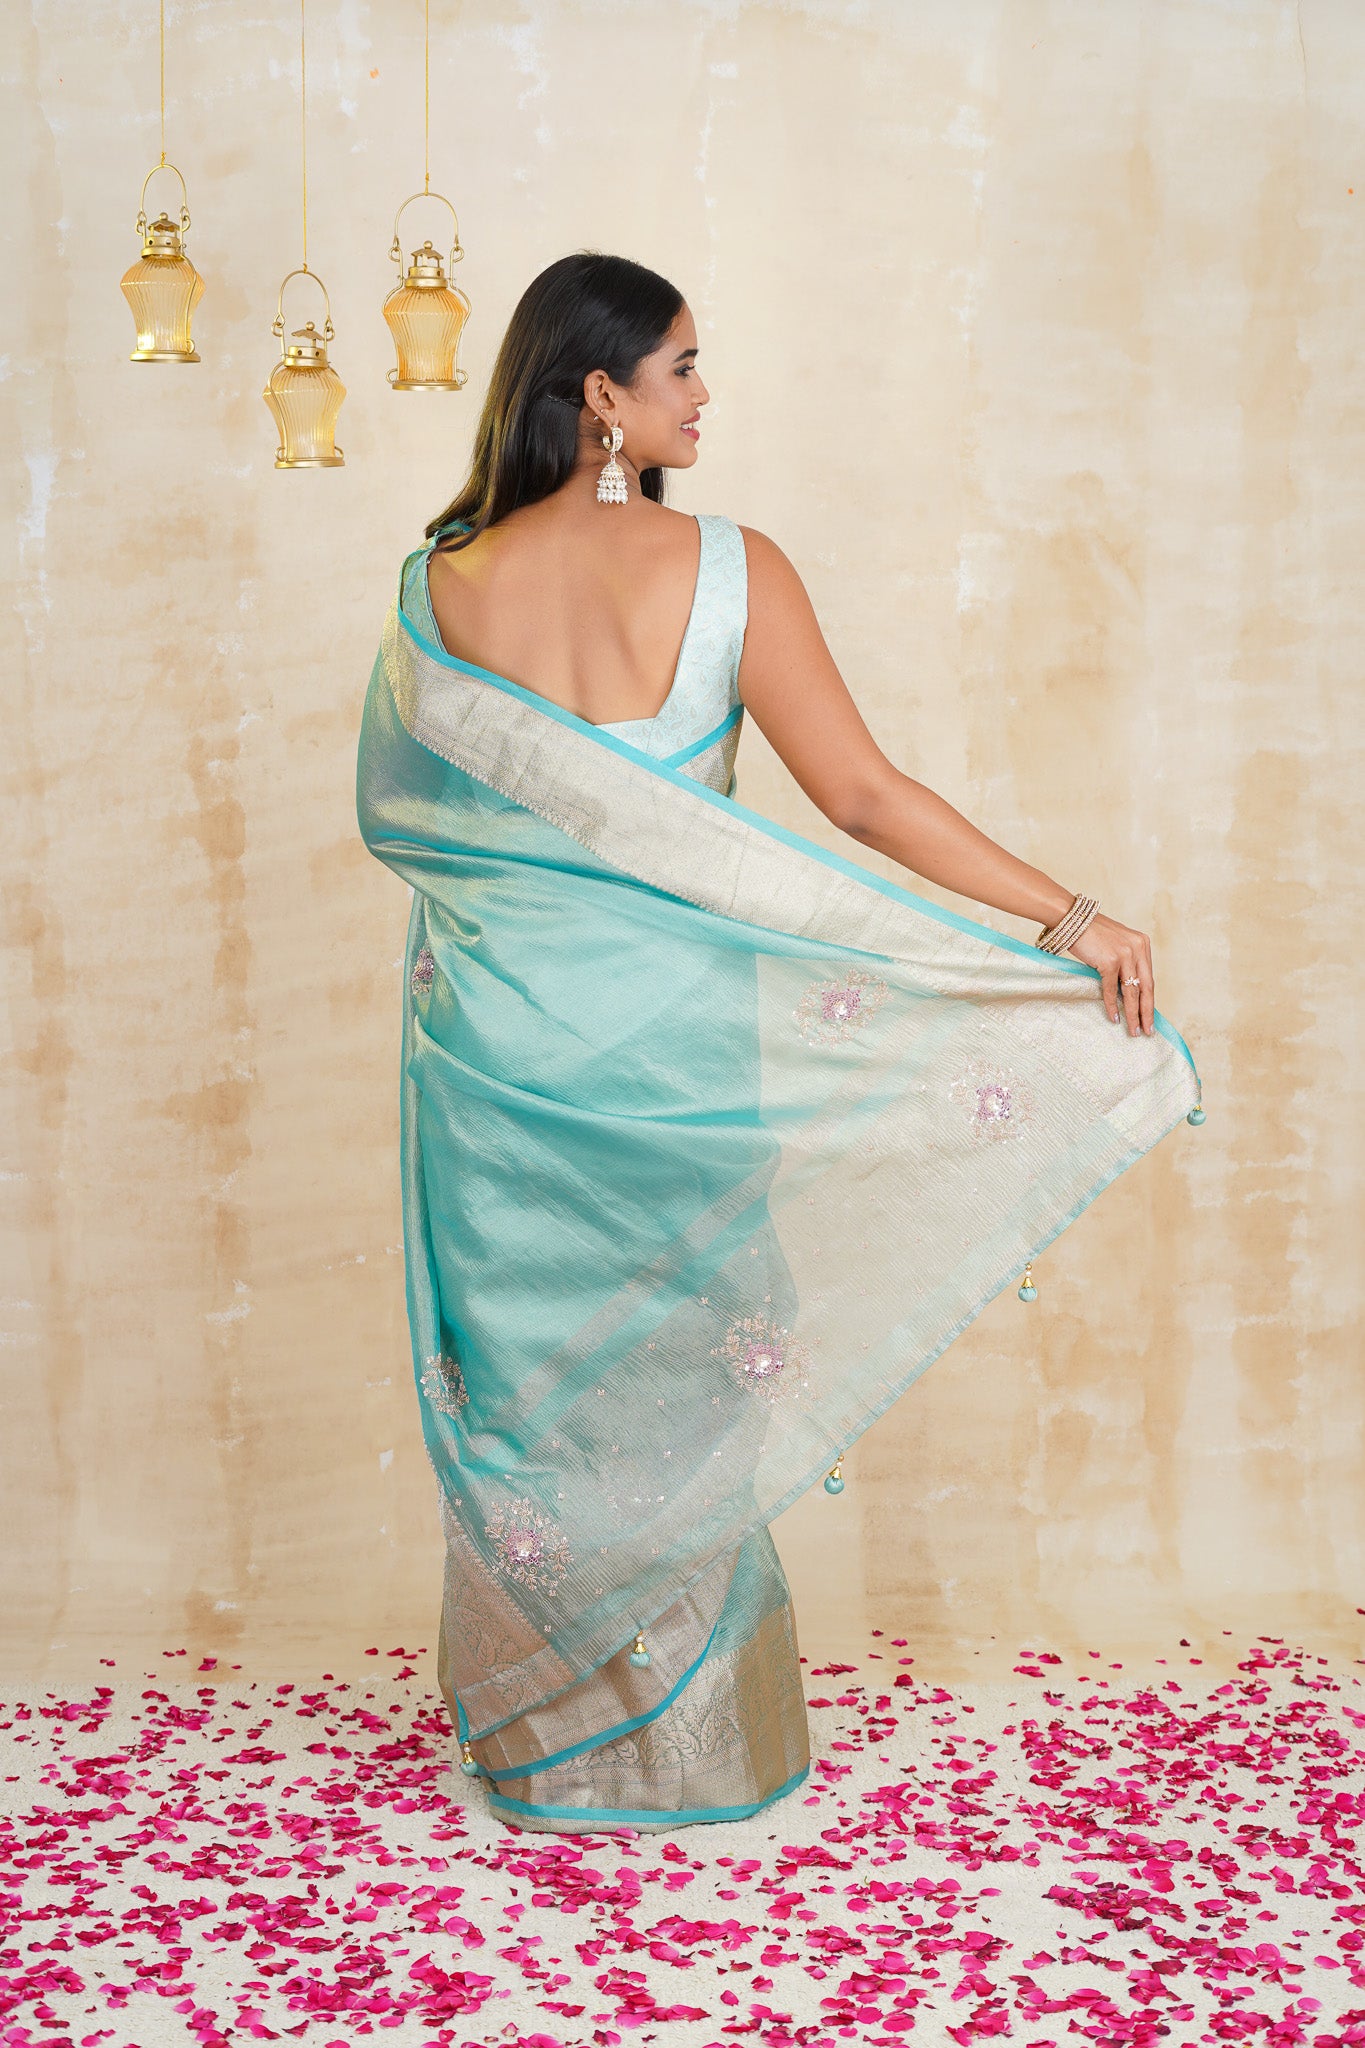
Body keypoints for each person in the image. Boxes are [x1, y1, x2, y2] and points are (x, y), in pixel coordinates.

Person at [357, 251, 1201, 1835]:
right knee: (694, 1363)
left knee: (536, 1388)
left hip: (498, 1057)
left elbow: (408, 830)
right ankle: (692, 1754)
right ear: (600, 394)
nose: (703, 394)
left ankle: (549, 1751)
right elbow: (862, 796)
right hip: (678, 1057)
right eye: (680, 366)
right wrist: (1068, 918)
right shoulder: (730, 568)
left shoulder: (437, 589)